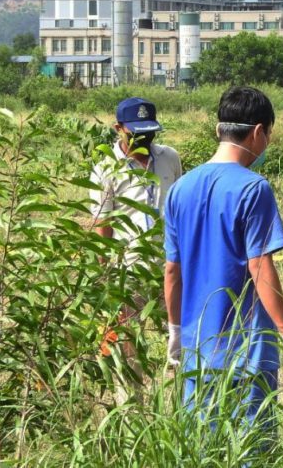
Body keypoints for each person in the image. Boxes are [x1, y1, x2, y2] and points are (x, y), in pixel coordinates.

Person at [163, 86, 283, 425]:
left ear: (220, 129)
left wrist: (175, 330)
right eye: (269, 133)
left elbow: (172, 270)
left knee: (203, 449)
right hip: (246, 352)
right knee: (250, 449)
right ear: (258, 132)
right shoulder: (253, 188)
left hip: (197, 351)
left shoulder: (179, 189)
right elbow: (260, 267)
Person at [90, 97, 182, 386]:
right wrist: (105, 275)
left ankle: (187, 411)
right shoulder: (106, 167)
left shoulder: (170, 157)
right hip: (128, 273)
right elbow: (102, 225)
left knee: (185, 339)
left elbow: (180, 207)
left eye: (149, 133)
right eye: (136, 134)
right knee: (128, 349)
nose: (144, 140)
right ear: (119, 129)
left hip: (170, 266)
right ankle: (132, 415)